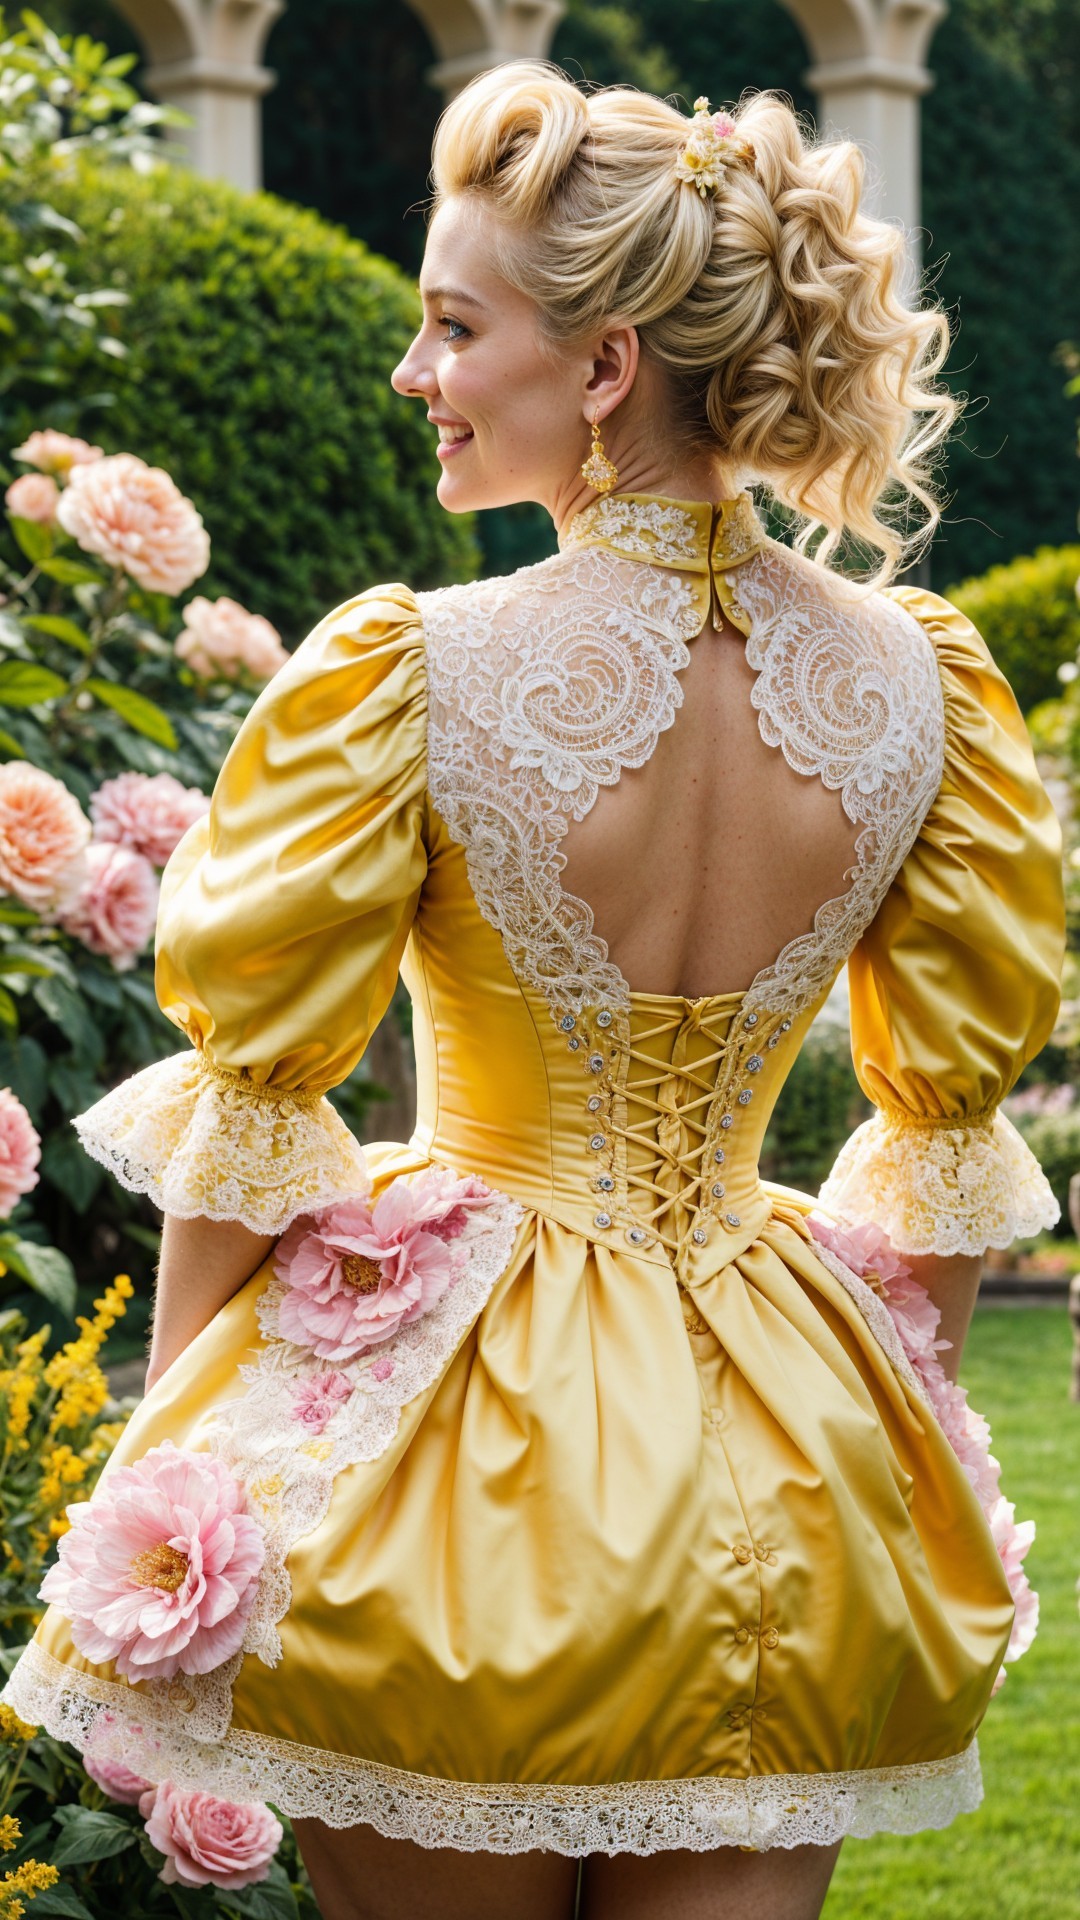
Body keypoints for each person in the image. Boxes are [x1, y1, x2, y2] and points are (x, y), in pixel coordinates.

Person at [1, 61, 1065, 1920]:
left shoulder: (410, 673)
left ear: (603, 369)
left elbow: (260, 1107)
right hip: (790, 1458)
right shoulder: (926, 691)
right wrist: (898, 1474)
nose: (416, 372)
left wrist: (180, 1478)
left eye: (451, 323)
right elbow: (946, 1138)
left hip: (456, 1462)